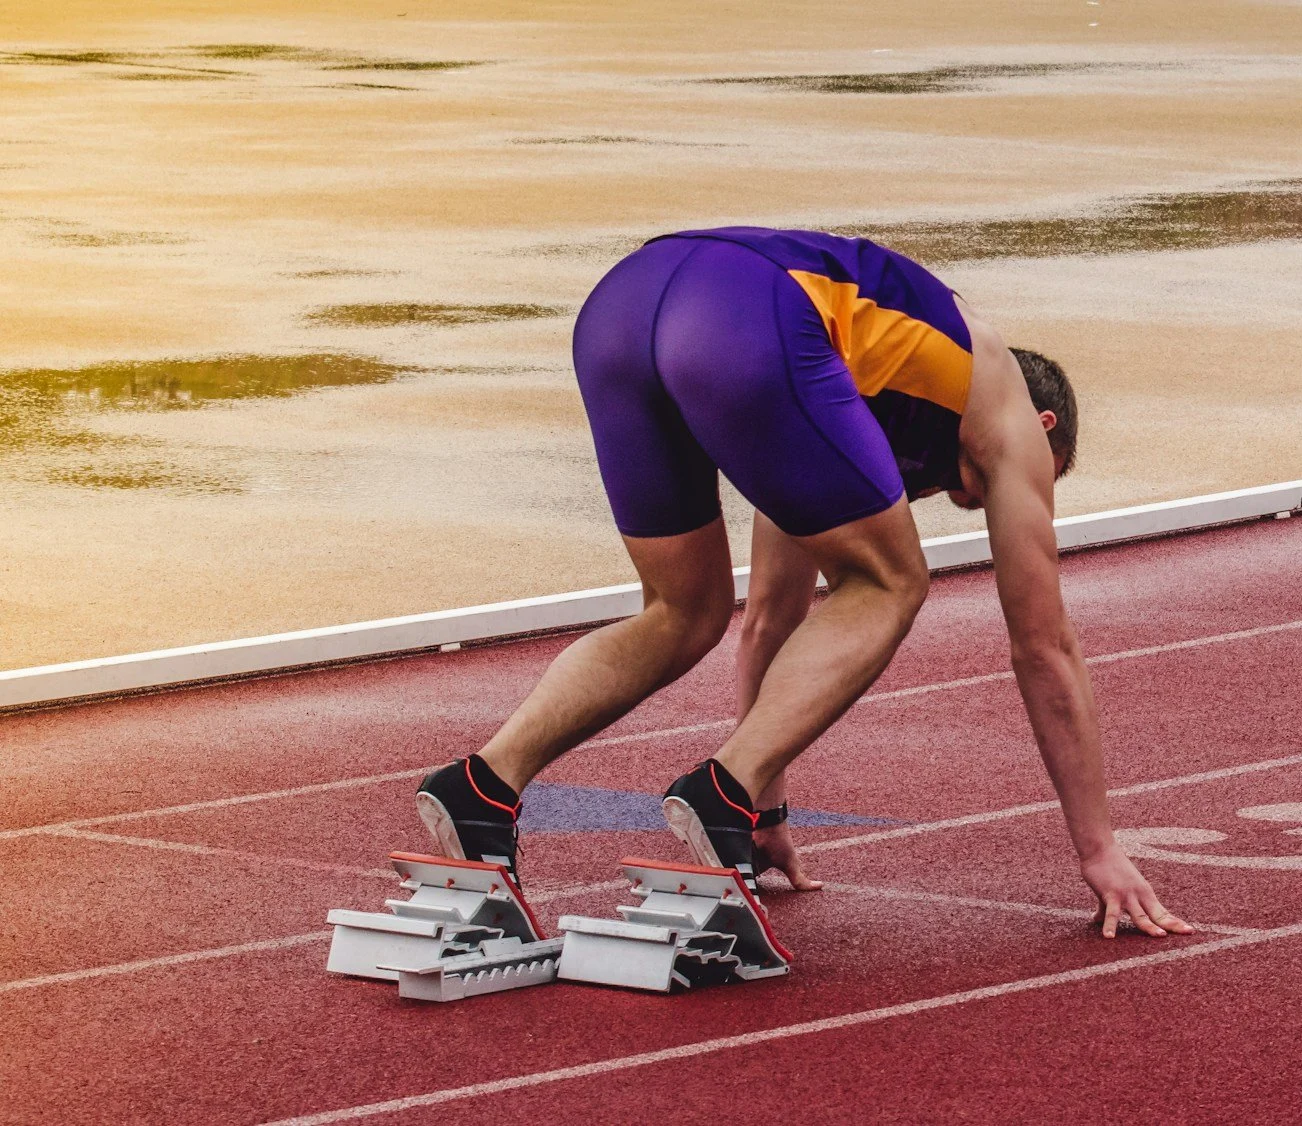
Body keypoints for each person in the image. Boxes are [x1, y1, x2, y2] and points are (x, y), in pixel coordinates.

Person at [410, 226, 1191, 940]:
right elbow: (1043, 646)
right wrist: (1100, 848)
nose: (999, 504)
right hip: (742, 313)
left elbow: (772, 618)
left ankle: (483, 786)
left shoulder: (842, 396)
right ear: (1046, 433)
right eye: (1043, 484)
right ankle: (721, 794)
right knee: (893, 580)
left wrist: (766, 804)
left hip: (624, 307)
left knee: (684, 609)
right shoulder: (1008, 407)